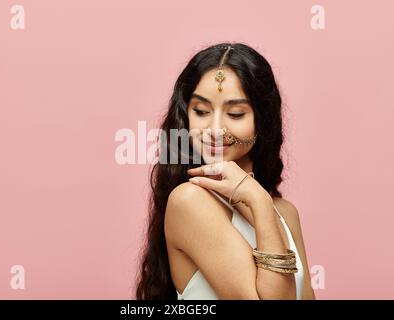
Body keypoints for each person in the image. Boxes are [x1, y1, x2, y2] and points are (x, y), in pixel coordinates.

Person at [135, 42, 315, 300]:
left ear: (262, 120)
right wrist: (259, 202)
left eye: (235, 113)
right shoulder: (189, 201)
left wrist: (260, 200)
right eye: (201, 111)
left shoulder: (285, 213)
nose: (215, 128)